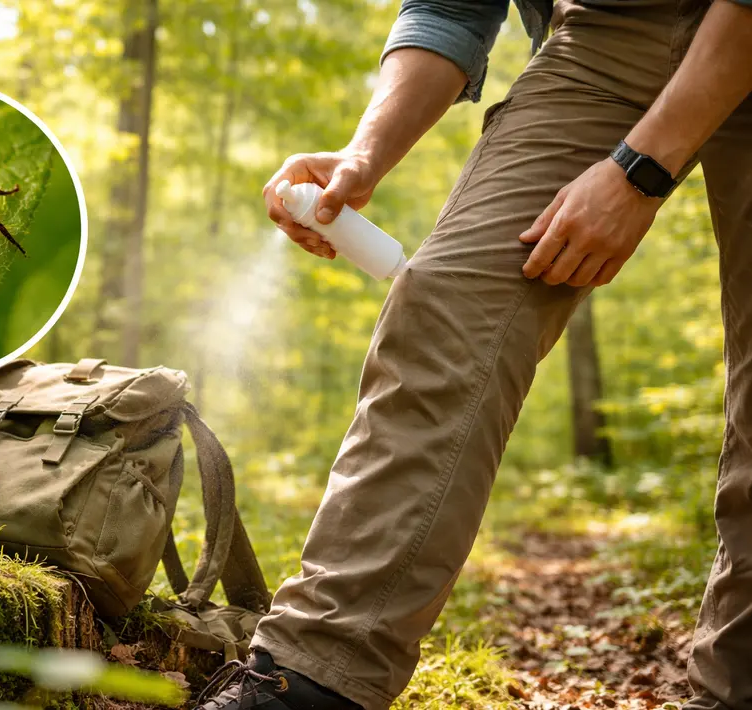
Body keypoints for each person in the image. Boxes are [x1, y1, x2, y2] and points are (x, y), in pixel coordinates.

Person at [192, 1, 752, 709]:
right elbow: (450, 6)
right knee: (445, 299)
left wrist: (638, 170)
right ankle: (310, 679)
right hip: (605, 28)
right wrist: (364, 153)